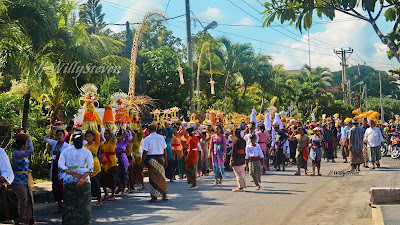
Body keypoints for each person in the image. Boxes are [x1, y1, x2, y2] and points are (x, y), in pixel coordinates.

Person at [58, 132, 94, 225]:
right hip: (84, 181)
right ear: (82, 141)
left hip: (69, 180)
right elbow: (90, 167)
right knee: (84, 205)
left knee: (69, 205)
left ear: (72, 141)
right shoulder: (87, 151)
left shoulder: (65, 151)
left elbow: (60, 165)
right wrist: (82, 179)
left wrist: (70, 172)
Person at [44, 126, 70, 213]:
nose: (58, 136)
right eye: (57, 135)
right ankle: (59, 207)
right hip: (55, 168)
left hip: (62, 169)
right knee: (56, 188)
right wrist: (51, 130)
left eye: (60, 134)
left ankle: (66, 207)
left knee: (62, 187)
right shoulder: (54, 144)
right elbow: (45, 138)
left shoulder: (66, 146)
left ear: (63, 136)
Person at [141, 123, 168, 202]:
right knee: (162, 176)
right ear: (156, 129)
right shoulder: (161, 137)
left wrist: (142, 161)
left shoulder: (147, 138)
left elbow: (145, 151)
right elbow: (164, 150)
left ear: (148, 130)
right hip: (160, 158)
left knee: (153, 178)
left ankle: (154, 196)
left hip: (151, 159)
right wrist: (166, 160)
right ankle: (164, 194)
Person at [11, 133, 34, 225]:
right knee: (21, 201)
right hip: (18, 181)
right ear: (23, 145)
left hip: (25, 181)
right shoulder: (16, 153)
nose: (26, 146)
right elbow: (31, 151)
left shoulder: (22, 154)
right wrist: (29, 139)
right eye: (26, 145)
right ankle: (18, 220)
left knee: (28, 200)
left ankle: (27, 220)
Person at [83, 129, 102, 207]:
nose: (88, 138)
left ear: (93, 137)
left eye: (90, 136)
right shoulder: (84, 146)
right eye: (87, 136)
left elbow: (98, 134)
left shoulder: (96, 143)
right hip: (86, 165)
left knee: (96, 182)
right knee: (88, 184)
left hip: (95, 165)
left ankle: (99, 200)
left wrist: (92, 126)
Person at [115, 129, 133, 197]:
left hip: (123, 159)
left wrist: (124, 128)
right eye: (117, 136)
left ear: (122, 136)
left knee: (124, 175)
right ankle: (118, 187)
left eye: (119, 136)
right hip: (117, 159)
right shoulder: (115, 143)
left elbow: (127, 136)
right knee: (117, 175)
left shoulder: (124, 142)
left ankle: (123, 190)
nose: (118, 137)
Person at [100, 129, 117, 201]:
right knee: (103, 178)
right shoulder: (102, 143)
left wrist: (110, 128)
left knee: (112, 178)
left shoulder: (113, 141)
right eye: (104, 133)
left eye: (107, 133)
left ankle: (113, 194)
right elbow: (101, 152)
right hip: (104, 162)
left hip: (112, 162)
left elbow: (113, 136)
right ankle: (106, 193)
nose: (105, 135)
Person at [230, 128, 246, 192]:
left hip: (236, 158)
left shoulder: (235, 141)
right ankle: (243, 185)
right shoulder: (243, 140)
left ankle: (240, 186)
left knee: (238, 173)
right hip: (242, 157)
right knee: (242, 172)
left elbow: (233, 151)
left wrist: (231, 159)